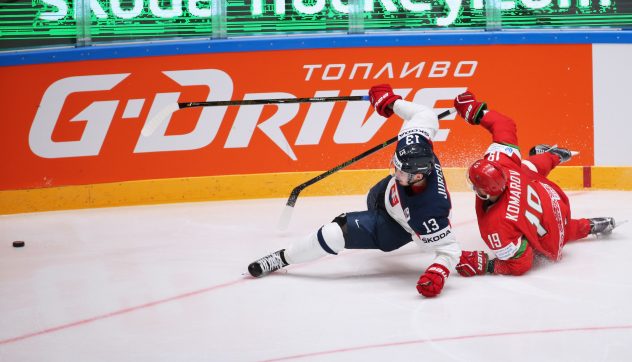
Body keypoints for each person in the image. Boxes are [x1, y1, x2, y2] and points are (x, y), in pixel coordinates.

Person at [247, 84, 460, 297]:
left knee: (334, 232)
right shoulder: (414, 144)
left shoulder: (430, 212)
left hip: (394, 228)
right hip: (382, 196)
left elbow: (450, 250)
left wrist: (438, 271)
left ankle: (281, 258)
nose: (396, 172)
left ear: (419, 176)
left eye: (402, 173)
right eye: (396, 166)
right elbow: (425, 114)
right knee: (374, 196)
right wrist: (391, 102)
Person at [452, 91, 618, 277]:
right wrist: (474, 111)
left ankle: (589, 225)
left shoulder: (496, 226)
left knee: (550, 235)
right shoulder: (501, 161)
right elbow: (504, 124)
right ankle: (555, 155)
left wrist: (486, 266)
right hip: (551, 197)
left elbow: (520, 264)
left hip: (552, 236)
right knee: (524, 167)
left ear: (484, 193)